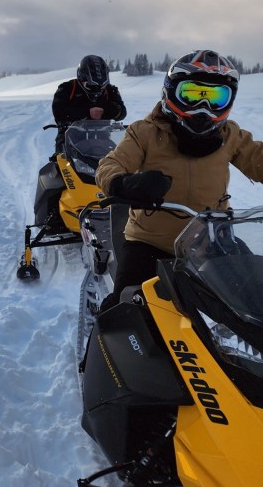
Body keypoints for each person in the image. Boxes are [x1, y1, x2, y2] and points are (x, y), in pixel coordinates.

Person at [95, 49, 263, 310]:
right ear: (171, 92)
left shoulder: (230, 134)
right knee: (123, 311)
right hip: (150, 241)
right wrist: (123, 183)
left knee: (255, 298)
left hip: (213, 240)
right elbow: (110, 164)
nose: (203, 109)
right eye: (192, 94)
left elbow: (258, 159)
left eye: (216, 98)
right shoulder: (146, 132)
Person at [52, 55, 127, 152]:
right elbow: (59, 113)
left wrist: (105, 111)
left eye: (102, 86)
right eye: (91, 86)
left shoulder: (110, 90)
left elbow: (121, 113)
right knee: (60, 164)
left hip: (102, 141)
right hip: (69, 140)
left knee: (115, 163)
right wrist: (87, 112)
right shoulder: (67, 88)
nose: (97, 91)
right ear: (81, 78)